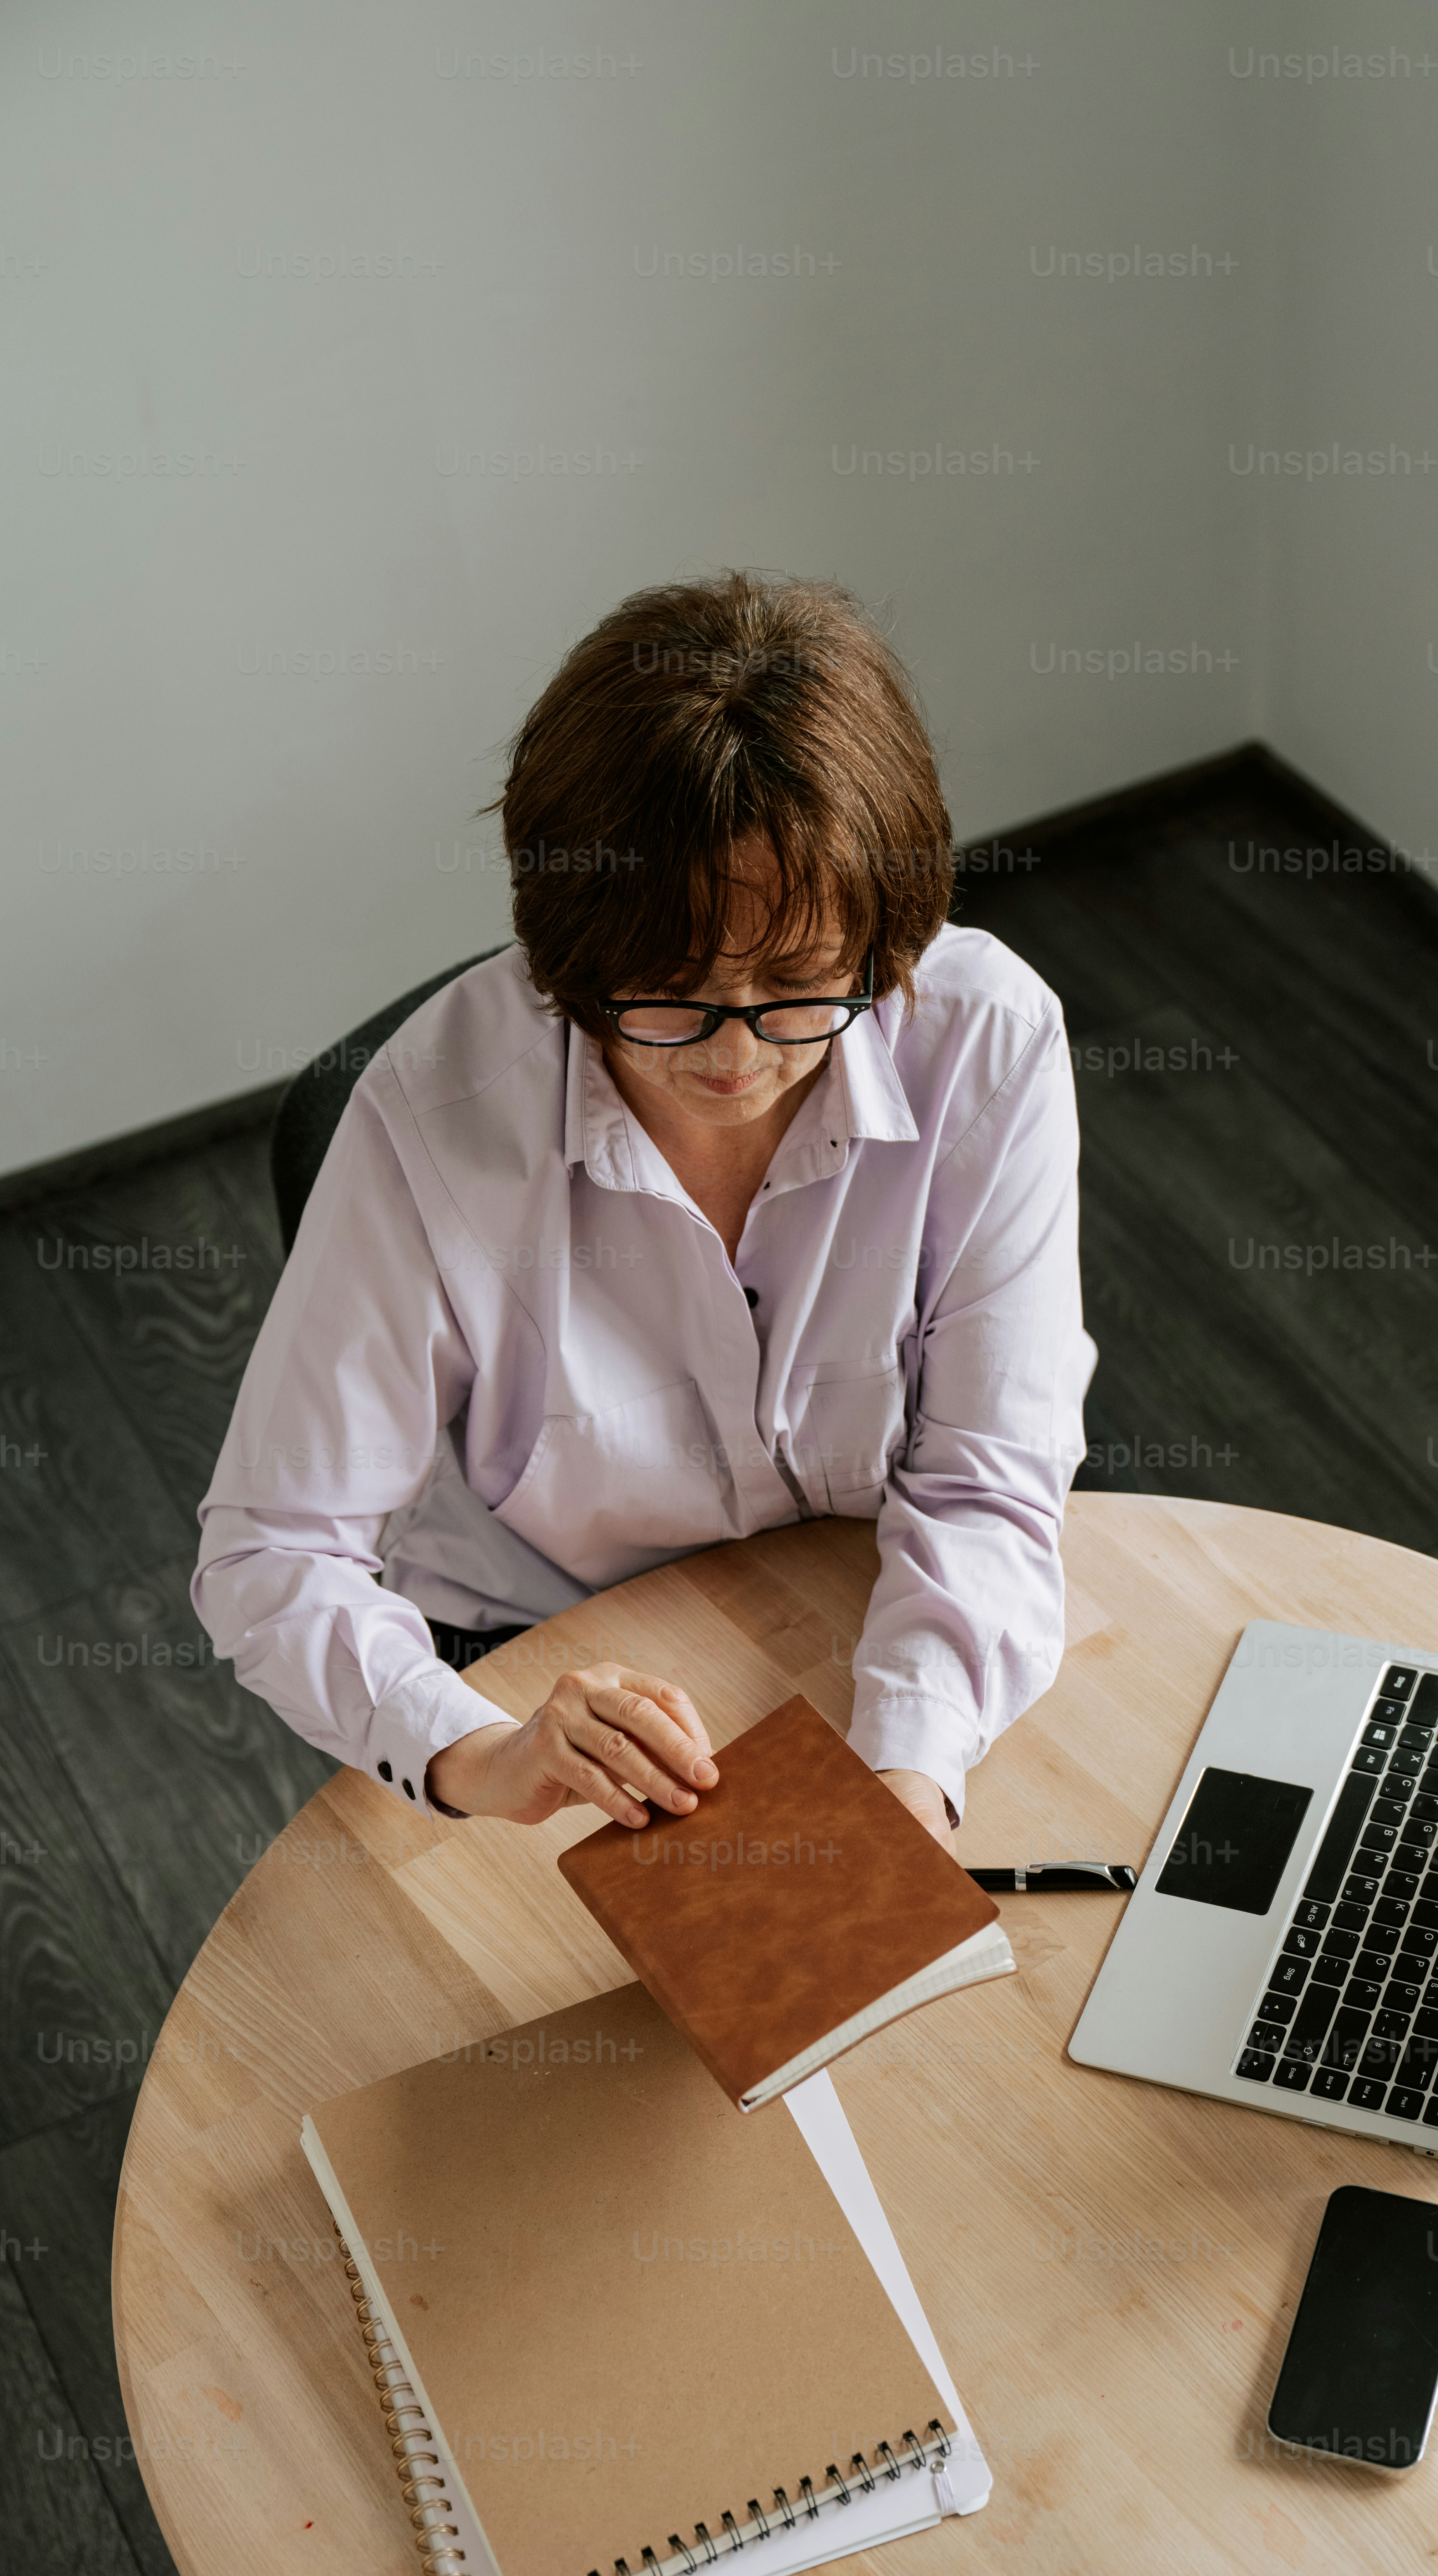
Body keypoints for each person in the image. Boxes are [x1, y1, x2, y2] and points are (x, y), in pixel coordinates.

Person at [193, 571, 1094, 1854]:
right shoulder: (433, 1112)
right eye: (667, 995)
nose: (735, 1059)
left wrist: (909, 1781)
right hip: (535, 1656)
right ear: (566, 957)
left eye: (797, 989)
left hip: (860, 1593)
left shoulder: (985, 1042)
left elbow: (985, 1472)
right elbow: (274, 1547)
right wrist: (479, 1750)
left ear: (889, 941)